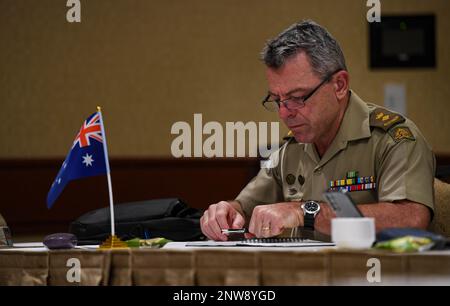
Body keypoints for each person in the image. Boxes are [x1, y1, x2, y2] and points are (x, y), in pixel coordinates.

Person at [200, 20, 435, 241]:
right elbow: (245, 207)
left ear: (340, 85)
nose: (284, 113)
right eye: (277, 100)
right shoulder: (290, 151)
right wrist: (226, 212)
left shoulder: (393, 139)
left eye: (297, 98)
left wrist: (306, 212)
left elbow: (412, 219)